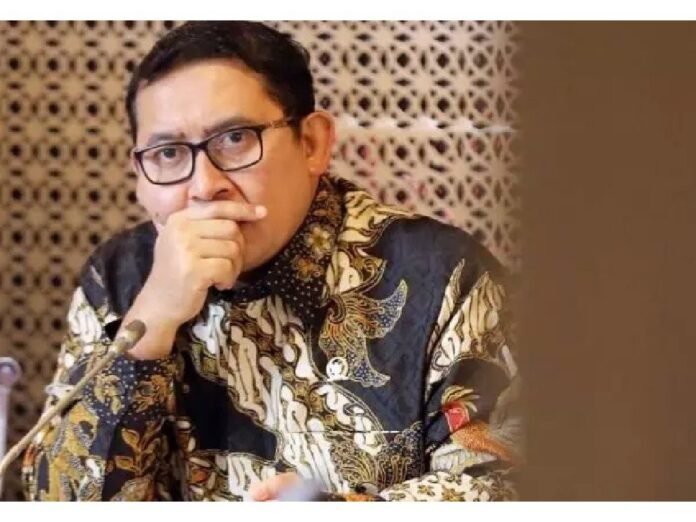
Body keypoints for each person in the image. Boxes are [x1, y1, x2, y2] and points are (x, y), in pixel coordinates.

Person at [22, 21, 521, 501]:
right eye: (169, 153)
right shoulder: (118, 278)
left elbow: (509, 485)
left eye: (235, 138)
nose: (204, 186)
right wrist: (148, 324)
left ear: (313, 143)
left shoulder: (442, 275)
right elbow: (55, 500)